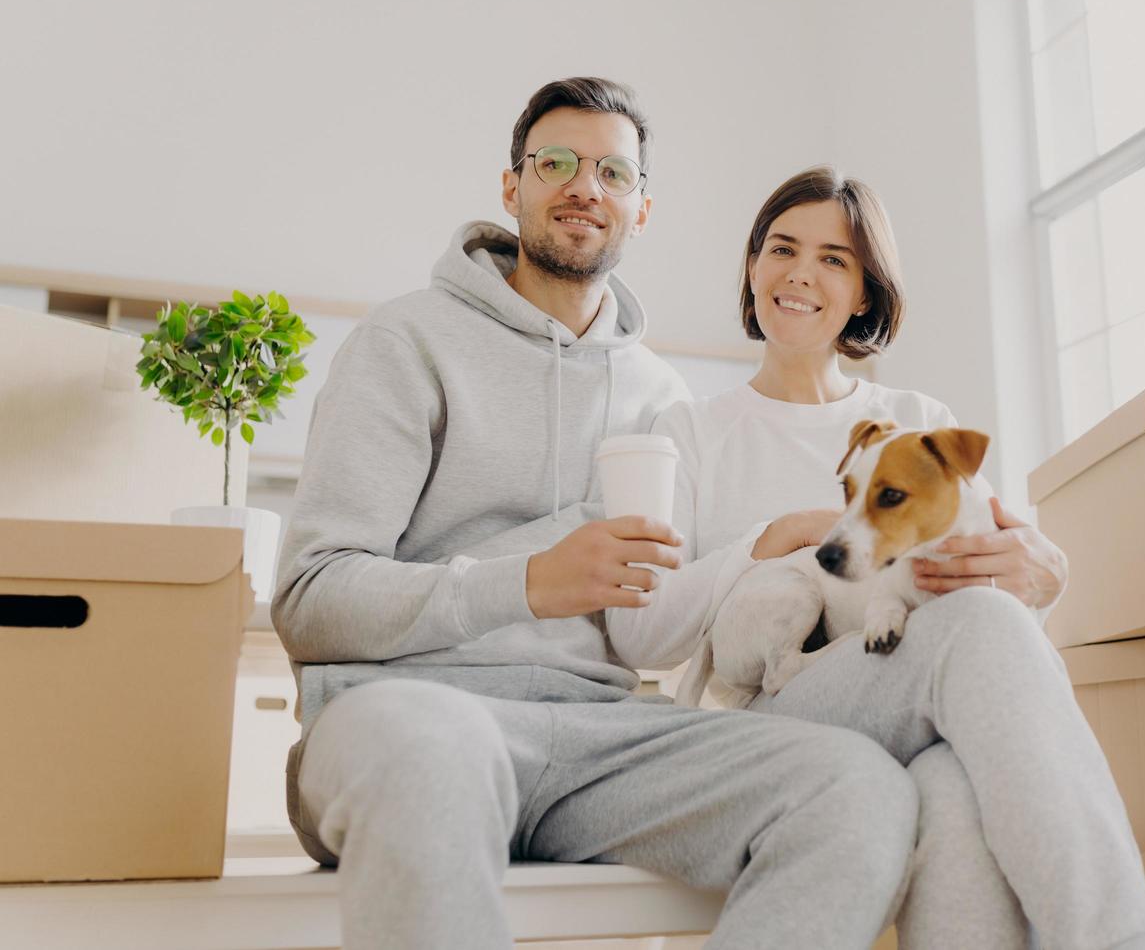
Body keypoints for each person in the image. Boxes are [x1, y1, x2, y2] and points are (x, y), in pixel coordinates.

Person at [272, 80, 922, 950]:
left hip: (604, 736)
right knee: (435, 754)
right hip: (407, 712)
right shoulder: (404, 342)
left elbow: (652, 626)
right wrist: (527, 584)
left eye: (612, 171)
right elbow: (310, 600)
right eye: (556, 163)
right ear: (513, 188)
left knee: (857, 787)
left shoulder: (663, 396)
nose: (585, 187)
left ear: (639, 208)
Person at [606, 167, 1145, 949]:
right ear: (752, 268)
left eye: (834, 258)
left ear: (866, 292)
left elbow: (994, 588)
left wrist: (1042, 576)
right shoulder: (689, 430)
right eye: (782, 248)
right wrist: (766, 540)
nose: (802, 272)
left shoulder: (915, 420)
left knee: (952, 785)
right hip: (769, 713)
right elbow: (642, 638)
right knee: (973, 639)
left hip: (907, 683)